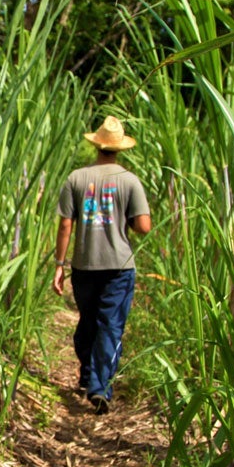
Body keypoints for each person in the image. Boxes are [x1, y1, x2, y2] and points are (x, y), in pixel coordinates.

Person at [52, 116, 152, 415]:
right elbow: (143, 226)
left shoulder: (76, 179)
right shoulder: (130, 181)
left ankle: (88, 375)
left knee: (88, 321)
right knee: (110, 326)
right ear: (119, 148)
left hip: (84, 266)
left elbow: (65, 225)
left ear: (96, 145)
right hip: (119, 266)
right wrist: (126, 218)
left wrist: (59, 264)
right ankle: (99, 387)